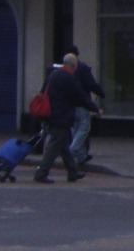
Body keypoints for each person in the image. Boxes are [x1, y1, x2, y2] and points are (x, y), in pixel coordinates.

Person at [33, 53, 101, 183]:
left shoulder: (52, 75)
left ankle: (72, 172)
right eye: (75, 66)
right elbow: (80, 97)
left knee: (64, 146)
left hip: (50, 115)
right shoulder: (68, 78)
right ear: (73, 65)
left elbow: (42, 92)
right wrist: (95, 109)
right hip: (61, 117)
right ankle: (41, 173)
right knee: (53, 148)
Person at [64, 45, 106, 165]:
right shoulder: (82, 68)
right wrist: (101, 94)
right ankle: (73, 150)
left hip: (69, 105)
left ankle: (81, 156)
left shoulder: (61, 71)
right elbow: (91, 84)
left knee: (75, 128)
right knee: (83, 128)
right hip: (82, 104)